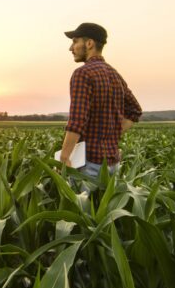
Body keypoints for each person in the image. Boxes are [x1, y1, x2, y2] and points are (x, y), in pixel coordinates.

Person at [59, 22, 142, 178]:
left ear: (89, 43)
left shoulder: (82, 74)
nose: (71, 48)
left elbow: (77, 121)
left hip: (88, 165)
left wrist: (64, 157)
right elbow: (135, 110)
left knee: (79, 202)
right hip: (112, 164)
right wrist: (111, 136)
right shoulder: (114, 74)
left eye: (75, 41)